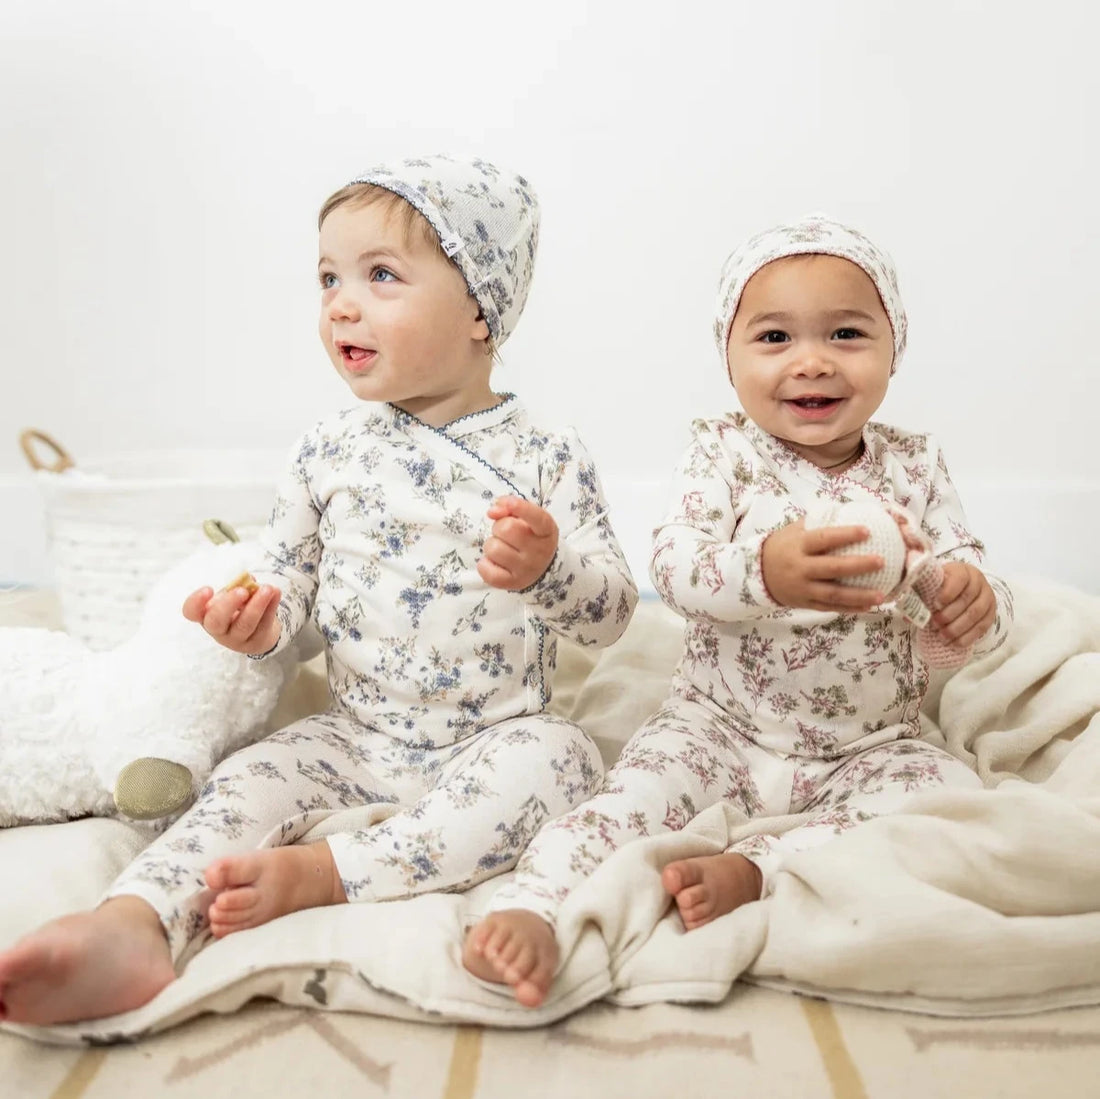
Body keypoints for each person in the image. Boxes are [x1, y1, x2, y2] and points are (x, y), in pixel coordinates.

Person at [0, 154, 637, 1025]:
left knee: (567, 763)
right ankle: (134, 922)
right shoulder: (327, 450)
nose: (341, 303)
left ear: (481, 310)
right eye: (329, 277)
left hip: (494, 734)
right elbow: (291, 591)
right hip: (356, 733)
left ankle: (330, 874)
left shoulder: (547, 453)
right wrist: (253, 624)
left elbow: (612, 616)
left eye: (381, 276)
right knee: (246, 778)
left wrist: (548, 568)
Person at [463, 214, 1014, 1007]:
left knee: (941, 797)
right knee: (628, 800)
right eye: (775, 338)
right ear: (728, 355)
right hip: (718, 725)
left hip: (868, 745)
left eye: (848, 333)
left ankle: (762, 871)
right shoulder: (722, 454)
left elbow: (974, 595)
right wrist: (767, 573)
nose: (813, 361)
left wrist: (972, 599)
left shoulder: (915, 467)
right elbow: (676, 567)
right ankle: (534, 905)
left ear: (895, 349)